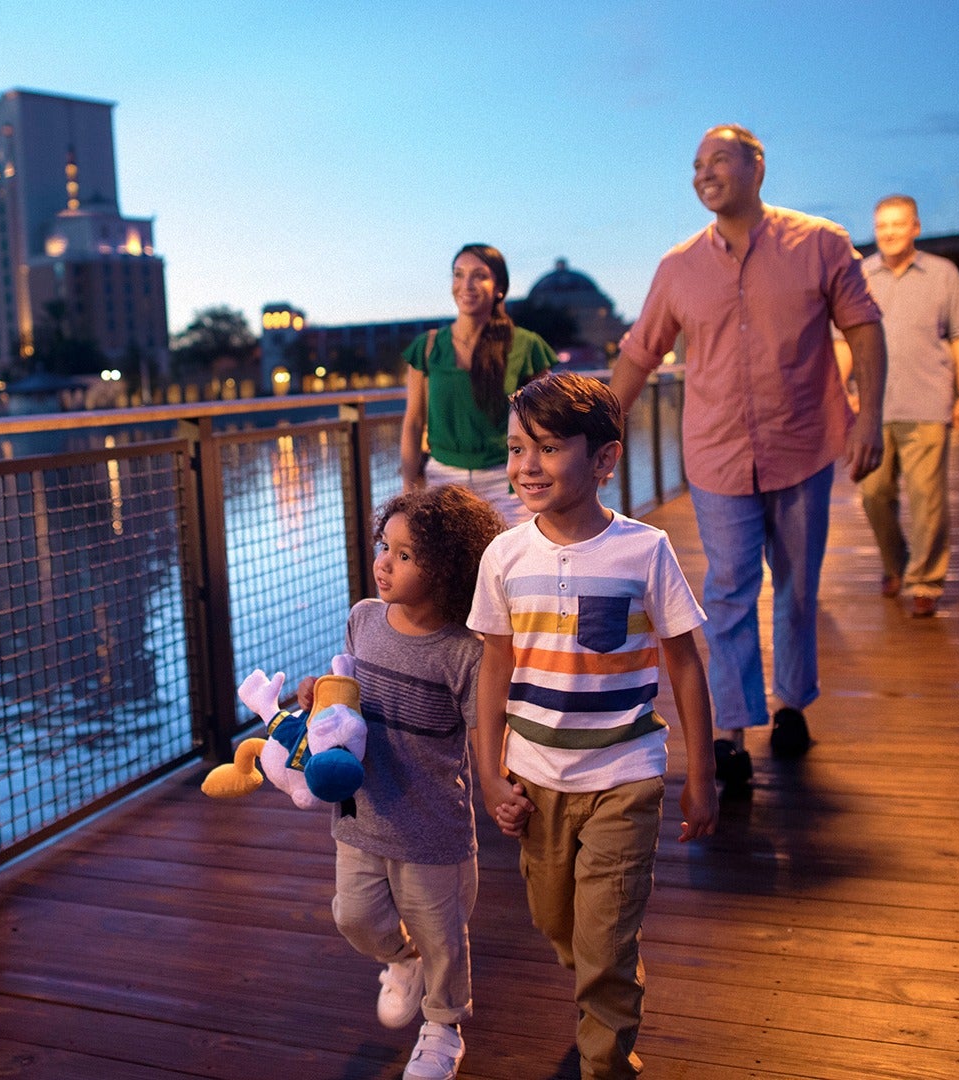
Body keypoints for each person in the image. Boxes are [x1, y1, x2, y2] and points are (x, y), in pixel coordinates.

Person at [609, 123, 886, 795]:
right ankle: (730, 733)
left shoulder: (820, 243)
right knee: (728, 589)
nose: (704, 173)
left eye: (719, 160)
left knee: (797, 586)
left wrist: (871, 417)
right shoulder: (678, 266)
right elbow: (640, 353)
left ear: (757, 167)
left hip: (803, 444)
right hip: (717, 453)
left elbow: (864, 328)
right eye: (696, 165)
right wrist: (598, 434)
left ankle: (792, 704)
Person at [469, 371, 717, 1079]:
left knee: (603, 940)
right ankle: (603, 976)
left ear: (604, 459)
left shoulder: (645, 550)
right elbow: (494, 668)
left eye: (548, 449)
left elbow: (685, 664)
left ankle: (604, 1056)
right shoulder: (504, 556)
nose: (527, 466)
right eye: (517, 449)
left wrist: (700, 776)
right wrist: (490, 774)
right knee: (558, 922)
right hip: (535, 778)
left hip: (624, 773)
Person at [299, 483, 504, 1080]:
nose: (384, 563)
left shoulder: (465, 653)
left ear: (447, 571)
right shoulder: (363, 618)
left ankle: (443, 1027)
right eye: (383, 547)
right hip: (361, 812)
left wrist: (501, 785)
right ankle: (403, 959)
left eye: (405, 555)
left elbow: (485, 735)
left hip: (430, 825)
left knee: (444, 936)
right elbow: (346, 695)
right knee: (354, 916)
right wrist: (318, 696)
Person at [834, 195, 959, 618]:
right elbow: (843, 341)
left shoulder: (943, 273)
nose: (889, 233)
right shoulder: (859, 275)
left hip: (927, 402)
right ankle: (895, 563)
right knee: (873, 494)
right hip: (872, 410)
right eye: (882, 225)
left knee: (927, 497)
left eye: (898, 224)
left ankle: (926, 581)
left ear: (915, 227)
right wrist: (839, 392)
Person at [401, 243, 558, 524]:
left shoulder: (526, 345)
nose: (466, 285)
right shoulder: (427, 347)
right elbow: (413, 423)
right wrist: (409, 488)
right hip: (443, 483)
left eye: (479, 276)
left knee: (515, 553)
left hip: (508, 481)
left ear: (499, 287)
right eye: (458, 274)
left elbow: (549, 422)